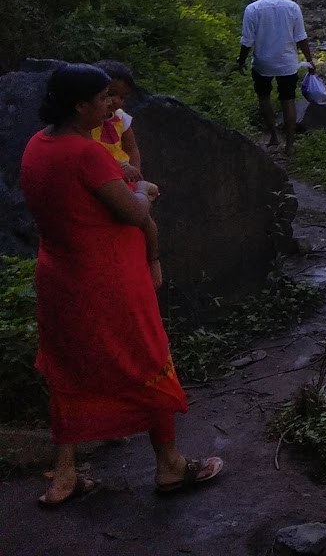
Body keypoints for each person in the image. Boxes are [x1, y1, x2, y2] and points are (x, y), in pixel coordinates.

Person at [20, 64, 222, 505]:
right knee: (146, 357)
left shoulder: (37, 145)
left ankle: (65, 476)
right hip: (107, 277)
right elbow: (133, 213)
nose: (108, 106)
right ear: (80, 105)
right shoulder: (85, 153)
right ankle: (169, 464)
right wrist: (144, 192)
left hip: (59, 276)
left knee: (68, 368)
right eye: (102, 98)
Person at [236, 0, 317, 158]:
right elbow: (301, 37)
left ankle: (273, 136)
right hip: (287, 63)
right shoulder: (292, 7)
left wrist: (241, 61)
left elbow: (247, 41)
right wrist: (310, 60)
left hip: (263, 63)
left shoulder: (252, 9)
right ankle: (289, 145)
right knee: (288, 100)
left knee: (264, 98)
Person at [92, 61, 159, 207]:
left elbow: (132, 148)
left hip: (124, 176)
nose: (116, 101)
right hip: (102, 173)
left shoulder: (121, 118)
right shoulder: (90, 120)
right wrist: (121, 167)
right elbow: (91, 152)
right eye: (111, 94)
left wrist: (136, 175)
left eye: (123, 97)